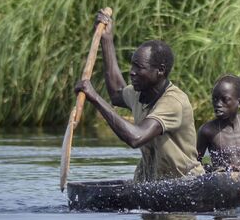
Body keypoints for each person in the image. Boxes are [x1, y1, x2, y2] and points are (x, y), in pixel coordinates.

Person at [74, 10, 204, 182]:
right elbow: (116, 93)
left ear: (160, 71)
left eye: (139, 68)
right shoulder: (139, 92)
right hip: (151, 183)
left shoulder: (173, 102)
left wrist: (95, 99)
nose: (132, 73)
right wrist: (107, 41)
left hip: (185, 184)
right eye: (132, 67)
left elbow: (136, 137)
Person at [196, 74, 240, 171]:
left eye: (225, 100)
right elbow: (195, 164)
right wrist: (216, 169)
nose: (218, 104)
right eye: (215, 99)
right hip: (225, 184)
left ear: (239, 103)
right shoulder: (207, 130)